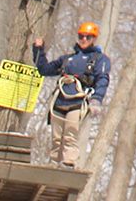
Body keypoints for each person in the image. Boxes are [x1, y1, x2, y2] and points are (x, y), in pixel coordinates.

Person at [31, 23, 110, 168]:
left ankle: (68, 162)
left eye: (88, 37)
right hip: (60, 99)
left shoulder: (99, 59)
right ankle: (54, 163)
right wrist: (38, 49)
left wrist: (96, 99)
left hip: (78, 101)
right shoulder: (67, 59)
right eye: (81, 36)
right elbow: (44, 69)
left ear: (94, 39)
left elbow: (102, 79)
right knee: (56, 137)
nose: (84, 39)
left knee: (70, 134)